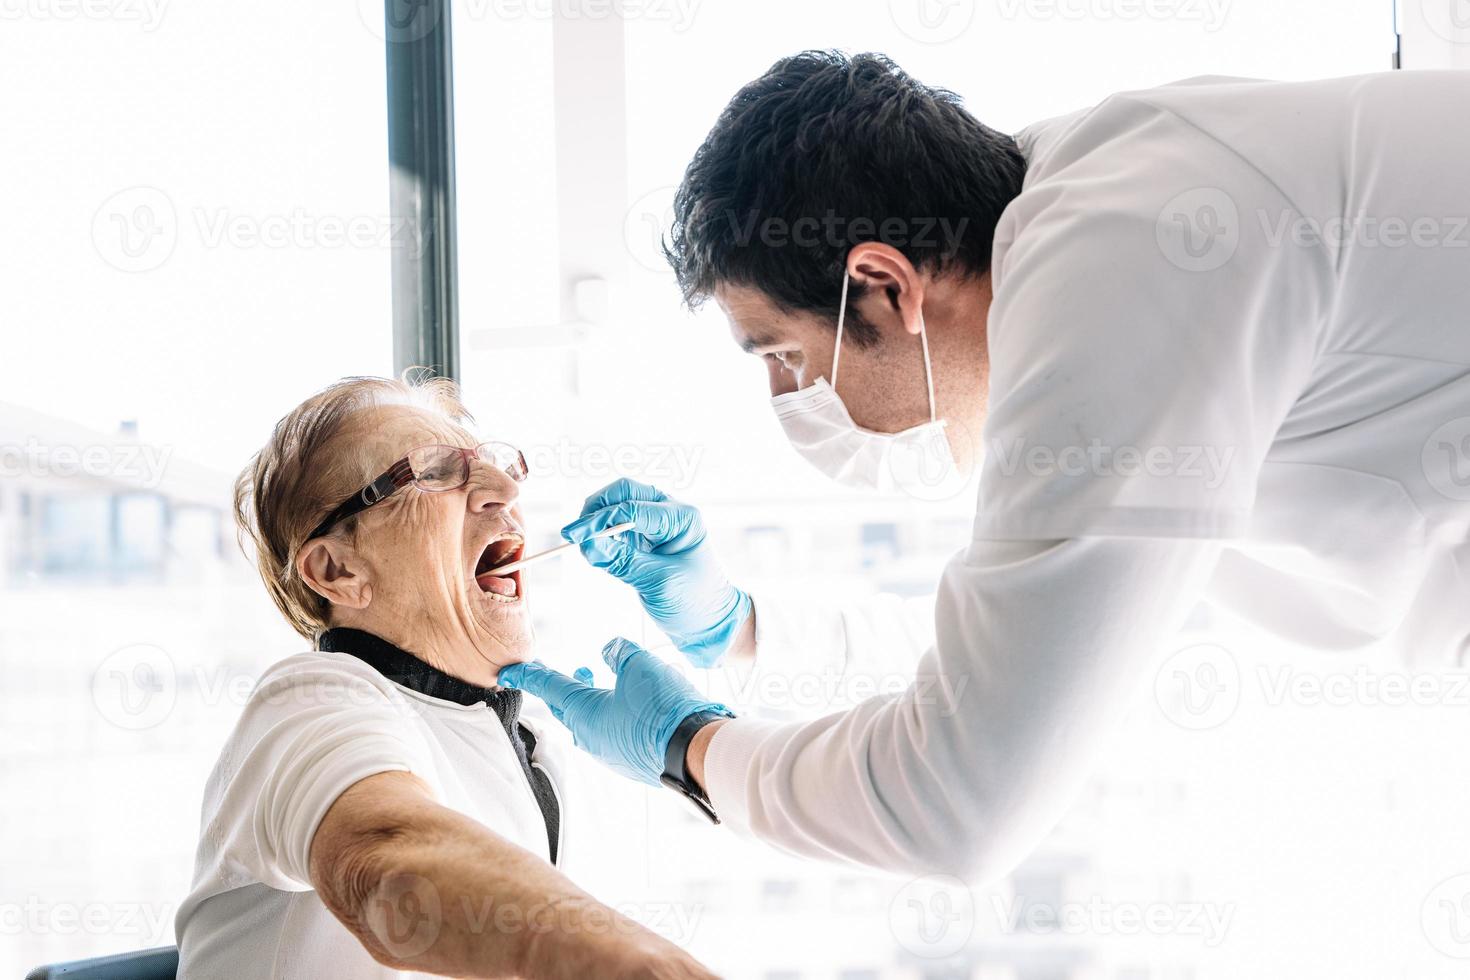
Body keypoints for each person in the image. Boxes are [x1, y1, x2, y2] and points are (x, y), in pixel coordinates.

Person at [501, 52, 1470, 880]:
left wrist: (687, 749)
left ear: (882, 285)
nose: (788, 400)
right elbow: (1047, 634)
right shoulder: (1087, 219)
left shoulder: (1128, 258)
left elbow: (961, 800)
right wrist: (737, 625)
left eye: (783, 356)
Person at [175, 374, 720, 979]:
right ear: (338, 569)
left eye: (493, 463)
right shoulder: (312, 700)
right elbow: (387, 859)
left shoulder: (536, 730)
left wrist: (687, 745)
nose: (506, 490)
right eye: (432, 471)